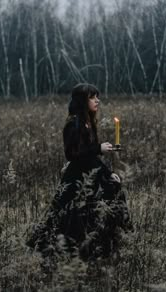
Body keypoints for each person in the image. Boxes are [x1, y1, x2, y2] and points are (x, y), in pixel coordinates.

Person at [26, 83, 132, 269]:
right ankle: (61, 253)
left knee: (101, 203)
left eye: (97, 96)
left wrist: (110, 173)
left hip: (90, 174)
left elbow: (91, 157)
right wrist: (98, 148)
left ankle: (96, 250)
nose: (97, 100)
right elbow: (73, 154)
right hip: (77, 179)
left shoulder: (87, 121)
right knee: (68, 216)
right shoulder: (73, 123)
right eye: (92, 97)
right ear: (82, 101)